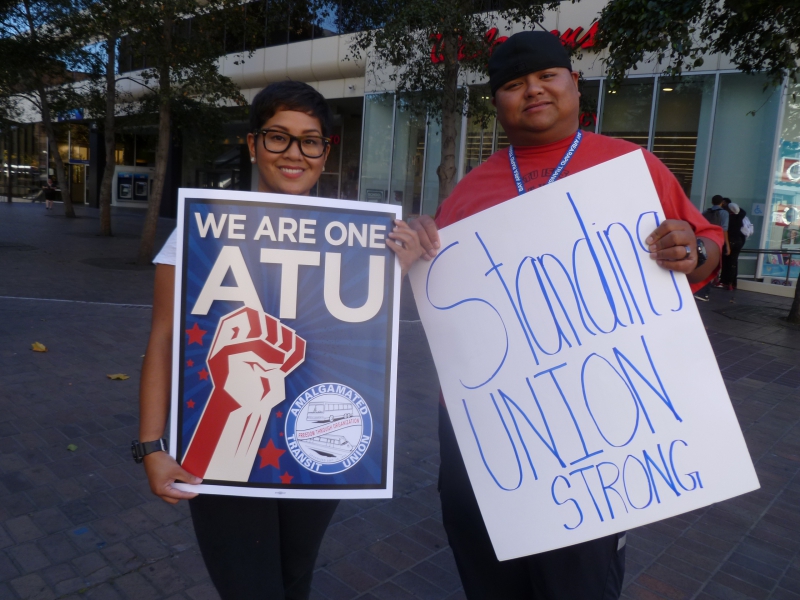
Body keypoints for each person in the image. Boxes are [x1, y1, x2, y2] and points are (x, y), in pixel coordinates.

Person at [408, 31, 723, 599]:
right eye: (512, 84)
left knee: (577, 580)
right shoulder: (469, 191)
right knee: (488, 573)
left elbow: (706, 245)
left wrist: (694, 250)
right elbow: (437, 294)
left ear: (574, 85)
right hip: (483, 427)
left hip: (592, 426)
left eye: (546, 76)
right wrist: (411, 251)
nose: (532, 91)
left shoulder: (631, 166)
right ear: (497, 102)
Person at [137, 81, 423, 600]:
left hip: (314, 442)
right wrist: (152, 447)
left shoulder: (357, 235)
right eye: (278, 137)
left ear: (325, 150)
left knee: (294, 581)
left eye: (310, 140)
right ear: (252, 144)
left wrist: (395, 272)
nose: (294, 153)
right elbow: (162, 339)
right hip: (225, 446)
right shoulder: (204, 229)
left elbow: (359, 339)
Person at [719, 200, 746, 290]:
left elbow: (725, 230)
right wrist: (736, 207)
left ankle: (725, 281)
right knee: (734, 262)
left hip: (730, 241)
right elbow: (742, 211)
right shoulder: (740, 216)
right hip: (738, 241)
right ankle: (732, 282)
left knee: (726, 262)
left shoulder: (728, 218)